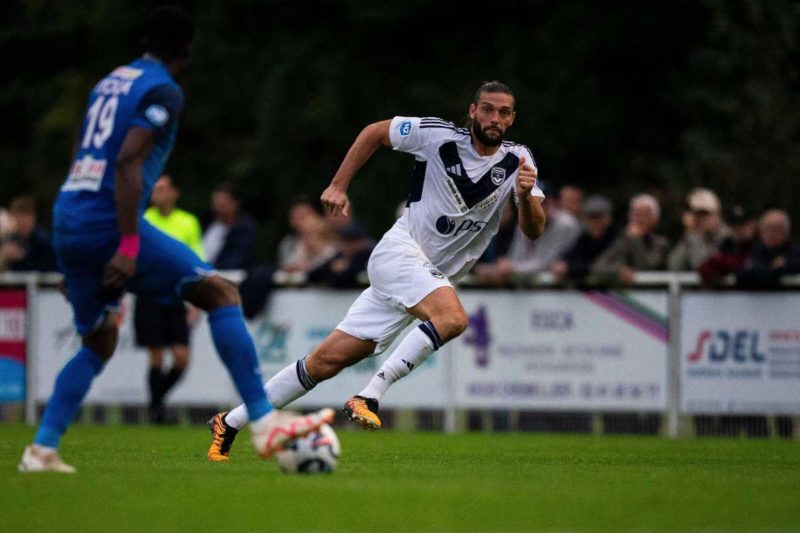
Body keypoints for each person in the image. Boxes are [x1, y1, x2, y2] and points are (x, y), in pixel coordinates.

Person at [18, 6, 331, 474]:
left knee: (99, 341)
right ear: (187, 48)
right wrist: (126, 245)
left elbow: (84, 152)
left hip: (70, 216)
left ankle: (41, 450)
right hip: (106, 222)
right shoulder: (163, 89)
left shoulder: (109, 82)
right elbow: (127, 162)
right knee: (222, 293)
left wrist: (73, 254)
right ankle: (265, 426)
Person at [206, 80, 546, 461]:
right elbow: (374, 132)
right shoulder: (436, 136)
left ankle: (229, 422)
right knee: (452, 318)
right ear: (472, 110)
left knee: (325, 362)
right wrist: (338, 185)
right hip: (401, 254)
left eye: (503, 112)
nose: (494, 118)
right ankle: (369, 395)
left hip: (426, 277)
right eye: (487, 109)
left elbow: (533, 230)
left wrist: (522, 196)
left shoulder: (520, 160)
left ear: (512, 118)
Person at [133, 175, 202, 423]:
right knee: (157, 356)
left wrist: (196, 301)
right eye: (155, 189)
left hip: (176, 295)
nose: (157, 194)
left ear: (174, 192)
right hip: (149, 294)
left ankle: (155, 403)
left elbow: (196, 260)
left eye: (163, 189)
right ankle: (157, 412)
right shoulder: (144, 220)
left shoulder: (188, 222)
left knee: (182, 357)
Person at [472, 182, 580, 284]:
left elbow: (545, 262)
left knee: (545, 278)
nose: (537, 207)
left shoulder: (565, 224)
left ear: (554, 203)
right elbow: (515, 256)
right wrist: (498, 267)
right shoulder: (526, 219)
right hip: (528, 277)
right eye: (532, 202)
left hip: (563, 281)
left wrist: (510, 268)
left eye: (543, 203)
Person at [591, 193, 670, 284]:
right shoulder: (623, 239)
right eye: (634, 214)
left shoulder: (660, 243)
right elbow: (598, 266)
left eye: (642, 215)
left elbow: (648, 266)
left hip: (655, 294)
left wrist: (636, 239)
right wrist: (618, 270)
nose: (637, 219)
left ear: (654, 219)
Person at [550, 194, 617, 283]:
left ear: (609, 218)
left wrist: (569, 268)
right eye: (591, 217)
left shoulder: (617, 237)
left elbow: (601, 266)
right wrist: (561, 264)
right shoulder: (584, 238)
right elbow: (570, 256)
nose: (595, 222)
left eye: (599, 217)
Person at [668, 188, 730, 271]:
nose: (700, 219)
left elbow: (700, 265)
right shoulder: (694, 236)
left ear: (717, 214)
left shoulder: (726, 237)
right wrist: (690, 233)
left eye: (705, 214)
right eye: (697, 215)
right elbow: (674, 265)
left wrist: (694, 235)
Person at [736, 209, 800, 288]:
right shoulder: (753, 252)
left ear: (787, 231)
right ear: (761, 231)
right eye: (769, 228)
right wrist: (773, 269)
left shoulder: (795, 253)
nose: (773, 233)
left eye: (778, 228)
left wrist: (785, 266)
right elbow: (743, 273)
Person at [201, 182, 257, 270]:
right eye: (215, 204)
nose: (218, 209)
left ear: (235, 204)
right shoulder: (207, 220)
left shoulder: (243, 229)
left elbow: (234, 261)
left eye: (222, 205)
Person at [698, 204, 757, 285]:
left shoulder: (759, 245)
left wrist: (723, 263)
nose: (738, 229)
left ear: (751, 225)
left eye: (742, 225)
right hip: (730, 294)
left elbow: (751, 268)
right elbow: (704, 269)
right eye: (734, 225)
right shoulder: (726, 244)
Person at [0, 195, 57, 273]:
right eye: (19, 216)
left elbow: (46, 272)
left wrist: (23, 257)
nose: (23, 221)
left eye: (27, 216)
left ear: (34, 218)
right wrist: (4, 257)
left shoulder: (42, 241)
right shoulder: (9, 238)